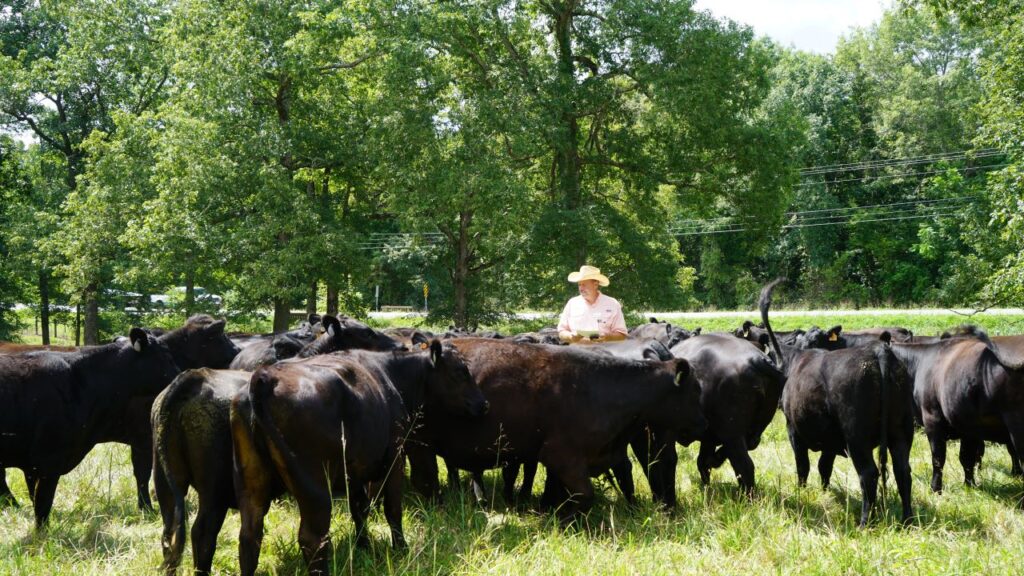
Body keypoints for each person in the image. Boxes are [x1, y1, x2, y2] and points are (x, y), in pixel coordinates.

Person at [557, 265, 628, 343]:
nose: (581, 288)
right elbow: (561, 331)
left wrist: (607, 337)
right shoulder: (572, 303)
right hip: (576, 353)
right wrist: (570, 337)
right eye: (579, 284)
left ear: (595, 284)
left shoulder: (612, 303)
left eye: (584, 284)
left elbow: (622, 335)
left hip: (604, 353)